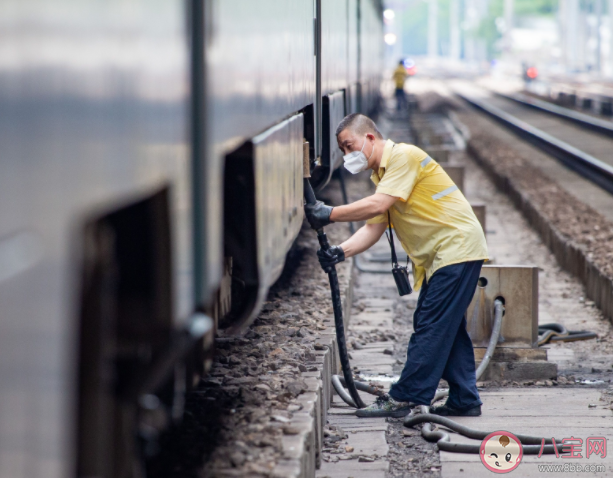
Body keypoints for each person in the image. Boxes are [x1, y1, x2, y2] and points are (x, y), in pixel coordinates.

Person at [305, 113, 488, 418]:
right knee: (447, 328)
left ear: (370, 138)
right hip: (444, 255)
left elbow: (376, 206)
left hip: (456, 249)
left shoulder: (403, 156)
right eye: (343, 151)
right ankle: (464, 399)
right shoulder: (382, 176)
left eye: (350, 146)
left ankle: (405, 398)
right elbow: (373, 227)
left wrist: (329, 213)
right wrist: (340, 252)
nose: (348, 156)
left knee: (430, 325)